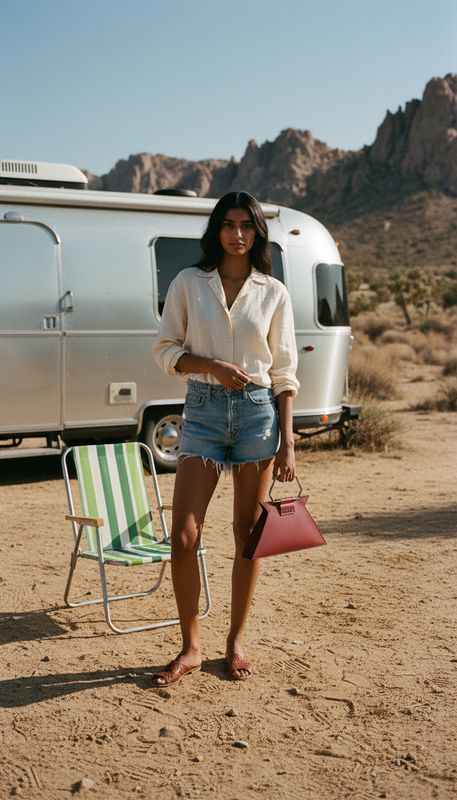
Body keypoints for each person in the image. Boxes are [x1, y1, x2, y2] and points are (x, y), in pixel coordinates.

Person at [151, 191, 299, 685]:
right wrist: (209, 364)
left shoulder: (273, 291)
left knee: (248, 535)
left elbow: (283, 371)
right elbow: (166, 348)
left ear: (257, 233)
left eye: (246, 225)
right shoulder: (189, 284)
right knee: (184, 534)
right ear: (217, 230)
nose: (237, 233)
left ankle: (235, 641)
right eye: (229, 224)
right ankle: (191, 646)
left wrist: (289, 441)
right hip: (204, 412)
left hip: (259, 416)